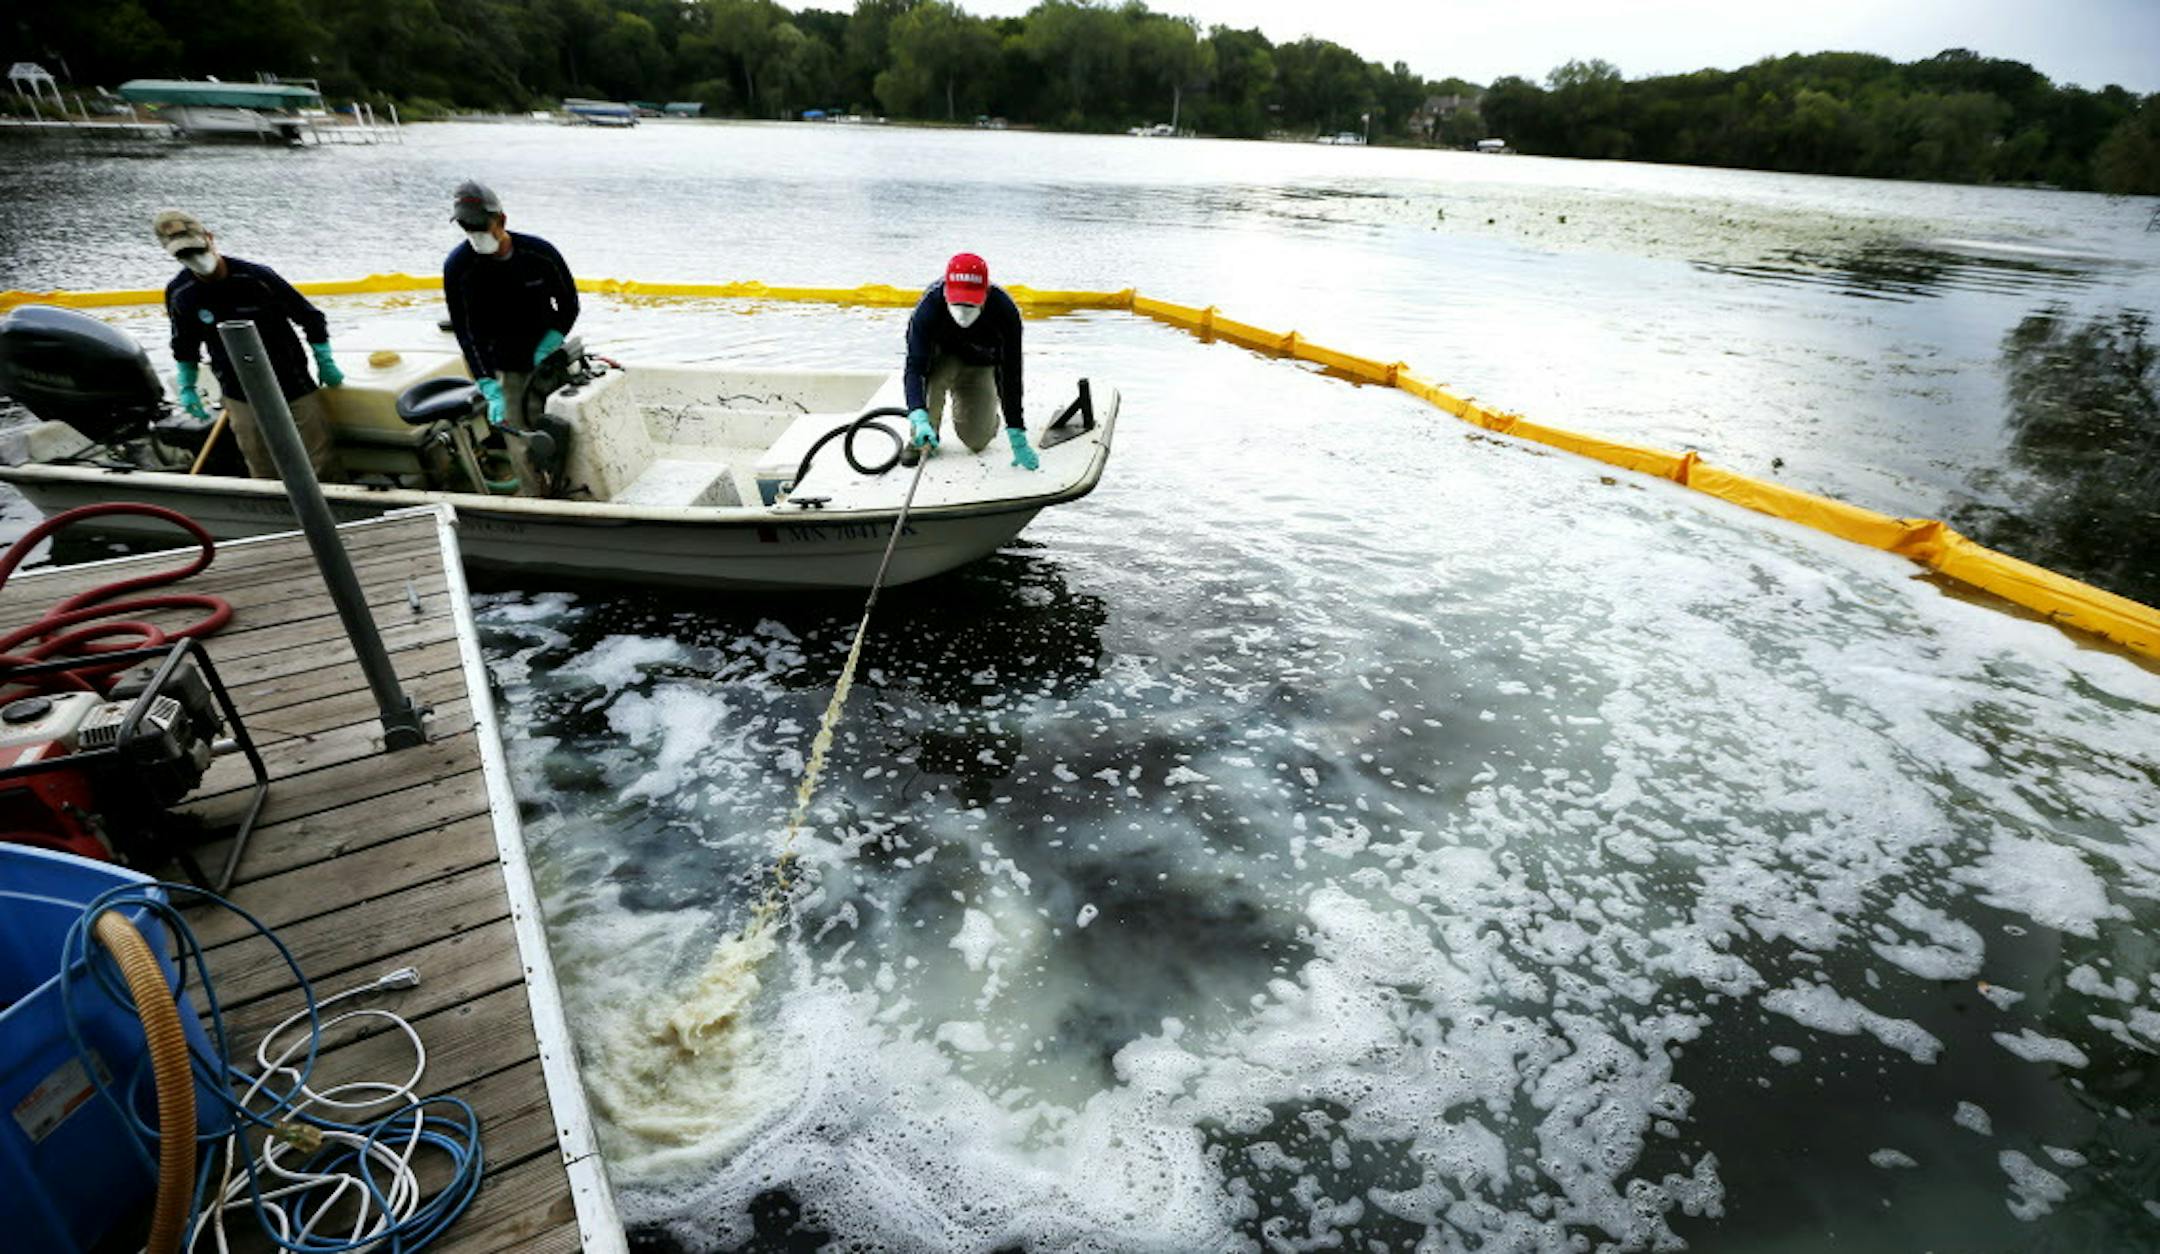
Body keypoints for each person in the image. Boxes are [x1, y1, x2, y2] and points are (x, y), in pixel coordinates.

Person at [157, 209, 344, 480]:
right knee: (259, 460)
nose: (194, 258)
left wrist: (324, 360)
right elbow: (184, 345)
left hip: (292, 381)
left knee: (321, 457)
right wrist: (188, 387)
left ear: (210, 239)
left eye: (197, 249)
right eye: (183, 255)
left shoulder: (257, 278)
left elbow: (310, 317)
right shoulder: (181, 293)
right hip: (238, 390)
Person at [442, 180, 579, 493]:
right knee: (520, 440)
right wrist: (486, 383)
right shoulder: (459, 267)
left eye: (480, 225)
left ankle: (574, 487)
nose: (474, 232)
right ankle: (537, 500)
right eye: (466, 226)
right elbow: (465, 332)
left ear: (501, 220)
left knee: (563, 429)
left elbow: (569, 303)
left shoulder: (539, 254)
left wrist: (553, 338)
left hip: (547, 360)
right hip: (502, 369)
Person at [902, 252, 1038, 472]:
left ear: (986, 293)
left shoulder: (1006, 312)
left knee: (977, 441)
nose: (963, 313)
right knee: (927, 404)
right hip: (940, 362)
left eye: (971, 304)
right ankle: (923, 436)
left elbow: (1011, 372)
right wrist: (917, 414)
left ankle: (987, 413)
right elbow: (914, 367)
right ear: (946, 292)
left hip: (980, 363)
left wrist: (1016, 430)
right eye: (957, 302)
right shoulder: (928, 307)